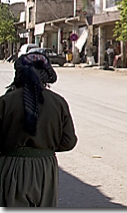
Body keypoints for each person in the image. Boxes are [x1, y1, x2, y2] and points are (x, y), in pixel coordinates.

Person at [0, 52, 77, 207]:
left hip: (11, 167)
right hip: (45, 169)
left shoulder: (6, 101)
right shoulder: (58, 102)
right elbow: (68, 142)